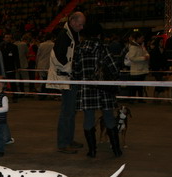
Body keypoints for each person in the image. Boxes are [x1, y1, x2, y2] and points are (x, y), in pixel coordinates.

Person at [72, 21, 121, 158]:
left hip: (86, 90)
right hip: (104, 89)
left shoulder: (79, 48)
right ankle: (116, 150)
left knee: (88, 119)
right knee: (109, 118)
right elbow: (114, 68)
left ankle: (92, 151)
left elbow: (75, 71)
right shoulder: (103, 47)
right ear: (99, 34)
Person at [46, 11, 86, 154]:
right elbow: (57, 57)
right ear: (73, 21)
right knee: (67, 112)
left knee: (70, 111)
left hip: (71, 78)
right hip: (67, 78)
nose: (82, 27)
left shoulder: (72, 34)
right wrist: (70, 69)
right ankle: (63, 143)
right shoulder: (64, 35)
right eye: (80, 24)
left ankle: (69, 140)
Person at [127, 31, 149, 102]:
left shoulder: (141, 46)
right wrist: (143, 58)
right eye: (142, 38)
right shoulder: (133, 47)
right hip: (136, 70)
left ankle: (140, 99)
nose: (143, 39)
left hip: (142, 69)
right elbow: (131, 58)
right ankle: (132, 100)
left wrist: (147, 56)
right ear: (138, 38)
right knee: (134, 87)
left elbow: (146, 53)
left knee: (140, 86)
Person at [36, 32, 55, 98]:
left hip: (41, 64)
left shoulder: (41, 45)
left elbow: (38, 55)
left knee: (42, 80)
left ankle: (41, 94)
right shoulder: (53, 44)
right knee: (50, 80)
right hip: (49, 64)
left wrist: (37, 64)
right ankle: (50, 95)